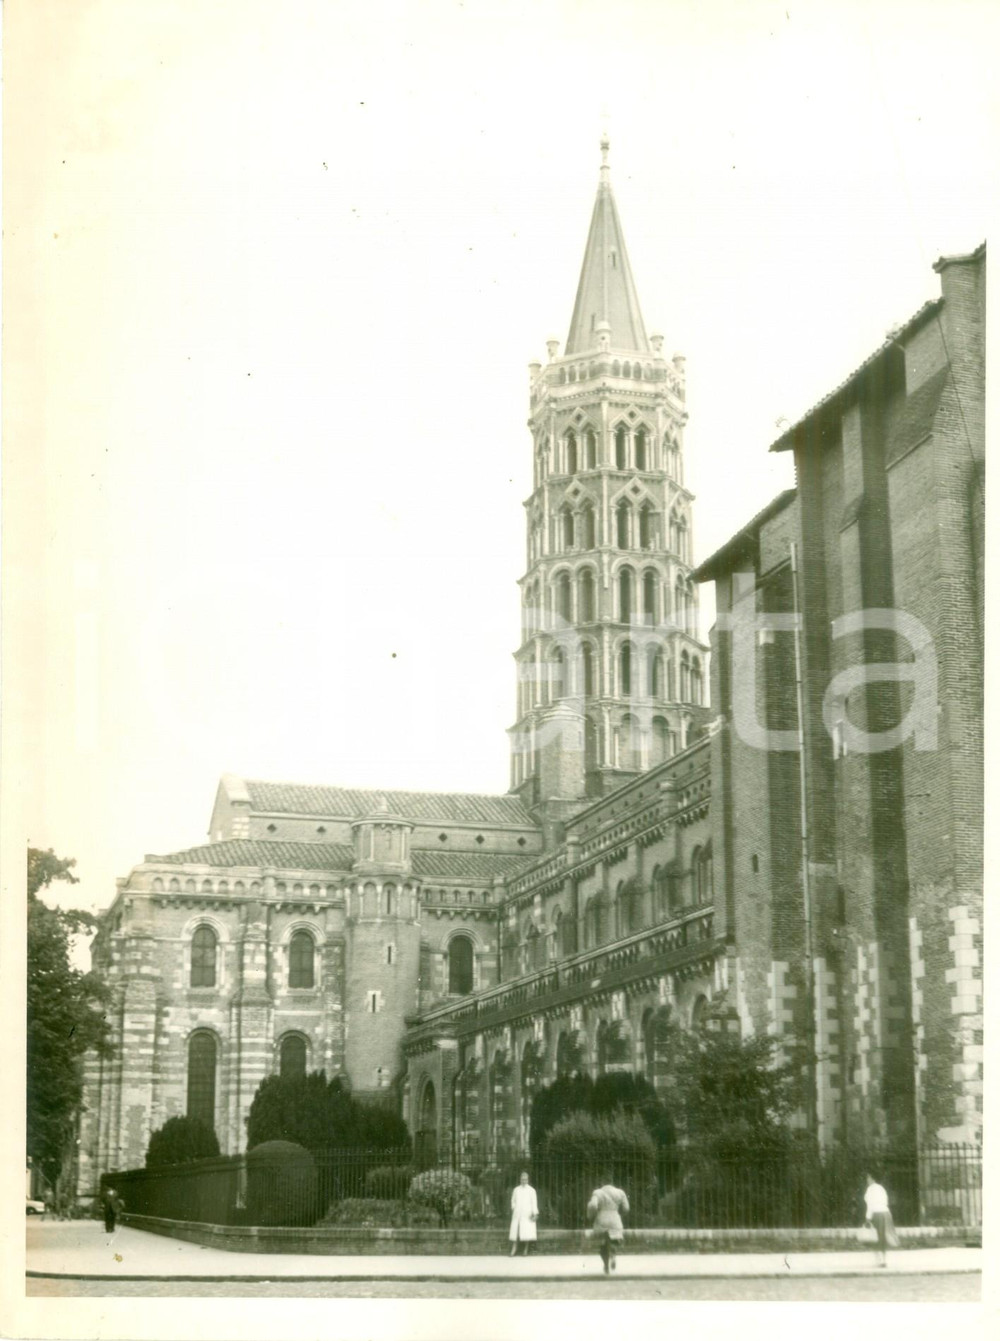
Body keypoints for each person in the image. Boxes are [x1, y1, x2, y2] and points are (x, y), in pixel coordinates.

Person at [587, 1172, 629, 1275]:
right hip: (615, 1219)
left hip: (601, 1220)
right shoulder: (620, 1192)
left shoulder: (598, 1192)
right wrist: (619, 1214)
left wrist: (592, 1215)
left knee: (603, 1244)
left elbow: (593, 1206)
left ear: (602, 1182)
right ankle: (613, 1253)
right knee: (614, 1240)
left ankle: (606, 1265)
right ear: (612, 1182)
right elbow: (626, 1208)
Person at [862, 1172, 896, 1267]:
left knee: (876, 1237)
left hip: (877, 1213)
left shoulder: (870, 1189)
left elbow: (870, 1205)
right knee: (883, 1236)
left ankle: (880, 1260)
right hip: (886, 1213)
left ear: (872, 1178)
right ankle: (883, 1259)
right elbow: (885, 1201)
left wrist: (868, 1218)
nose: (867, 1180)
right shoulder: (881, 1188)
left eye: (868, 1178)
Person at [508, 1170, 539, 1256]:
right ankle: (514, 1248)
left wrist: (535, 1213)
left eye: (525, 1179)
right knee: (516, 1232)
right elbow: (513, 1201)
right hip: (517, 1214)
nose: (524, 1181)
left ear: (528, 1180)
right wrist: (514, 1208)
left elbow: (534, 1203)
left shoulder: (532, 1190)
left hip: (527, 1214)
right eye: (522, 1179)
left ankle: (526, 1249)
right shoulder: (516, 1190)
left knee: (526, 1231)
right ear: (520, 1179)